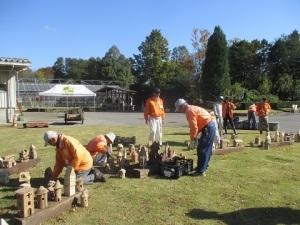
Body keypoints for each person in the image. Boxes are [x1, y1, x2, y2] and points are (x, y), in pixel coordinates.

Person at [175, 99, 216, 177]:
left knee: (202, 150)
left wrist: (193, 139)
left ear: (182, 106)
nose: (180, 111)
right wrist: (196, 136)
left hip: (208, 128)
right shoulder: (192, 108)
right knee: (206, 149)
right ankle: (203, 167)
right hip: (209, 126)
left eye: (179, 109)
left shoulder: (189, 111)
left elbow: (194, 127)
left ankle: (200, 171)